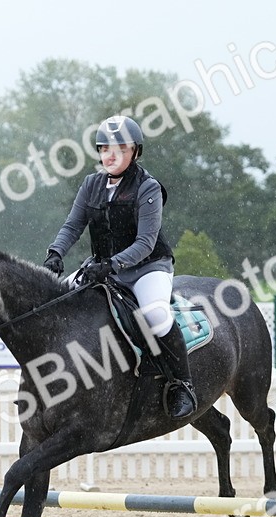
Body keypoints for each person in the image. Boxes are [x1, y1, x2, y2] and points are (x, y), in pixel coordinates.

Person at [41, 114, 195, 419]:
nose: (110, 155)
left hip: (147, 268)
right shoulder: (91, 184)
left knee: (156, 316)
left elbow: (145, 242)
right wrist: (55, 252)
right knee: (56, 303)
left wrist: (112, 264)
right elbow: (73, 225)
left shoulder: (147, 187)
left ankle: (182, 384)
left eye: (120, 148)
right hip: (102, 267)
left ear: (135, 151)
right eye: (104, 148)